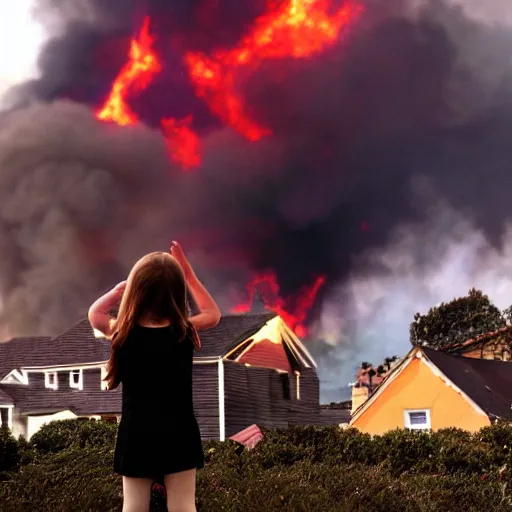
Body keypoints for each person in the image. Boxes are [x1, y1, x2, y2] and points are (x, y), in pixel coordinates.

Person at [88, 241, 221, 512]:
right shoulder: (183, 331)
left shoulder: (123, 333)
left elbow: (95, 314)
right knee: (184, 506)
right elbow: (213, 314)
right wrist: (188, 273)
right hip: (179, 431)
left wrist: (117, 291)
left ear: (137, 290)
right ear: (177, 290)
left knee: (134, 507)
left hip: (137, 433)